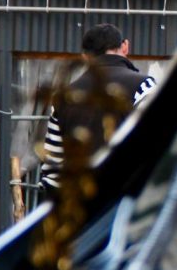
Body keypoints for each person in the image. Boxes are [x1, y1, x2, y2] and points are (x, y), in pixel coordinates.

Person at [41, 23, 155, 190]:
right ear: (125, 47)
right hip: (124, 199)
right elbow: (155, 145)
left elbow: (53, 171)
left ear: (85, 57)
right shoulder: (144, 87)